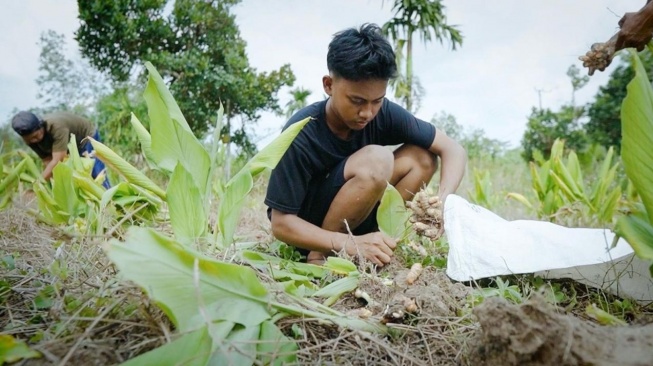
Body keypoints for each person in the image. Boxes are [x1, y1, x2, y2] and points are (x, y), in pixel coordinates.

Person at [265, 24, 467, 267]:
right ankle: (320, 258)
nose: (367, 113)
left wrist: (442, 202)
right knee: (377, 159)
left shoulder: (382, 113)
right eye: (357, 101)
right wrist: (345, 243)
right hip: (310, 233)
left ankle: (380, 247)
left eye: (377, 101)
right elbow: (281, 223)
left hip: (357, 220)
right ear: (329, 85)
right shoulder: (301, 131)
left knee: (422, 157)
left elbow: (453, 149)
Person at [11, 110, 110, 188]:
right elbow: (47, 161)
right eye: (31, 139)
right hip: (67, 144)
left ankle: (111, 203)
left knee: (96, 173)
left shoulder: (57, 127)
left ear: (40, 126)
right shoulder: (29, 140)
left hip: (86, 137)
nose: (36, 140)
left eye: (37, 135)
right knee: (73, 177)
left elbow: (58, 160)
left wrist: (37, 184)